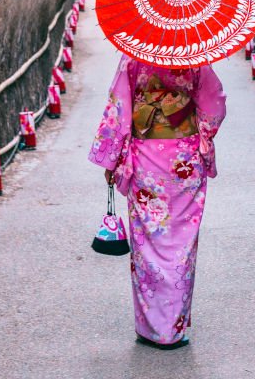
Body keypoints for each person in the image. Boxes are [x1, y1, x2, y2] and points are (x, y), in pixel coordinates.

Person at [88, 55, 227, 350]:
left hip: (146, 160)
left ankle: (151, 328)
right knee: (181, 242)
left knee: (147, 240)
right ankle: (172, 329)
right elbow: (215, 103)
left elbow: (119, 109)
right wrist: (200, 132)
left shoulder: (133, 56)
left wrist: (112, 160)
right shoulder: (196, 58)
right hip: (184, 160)